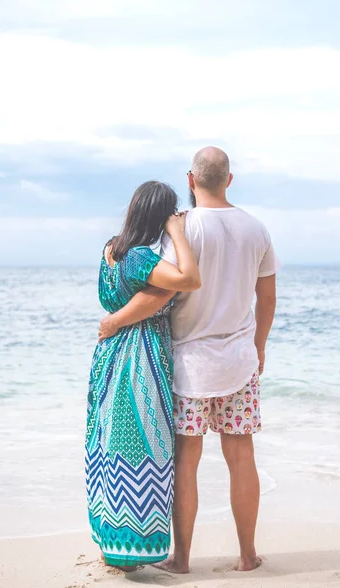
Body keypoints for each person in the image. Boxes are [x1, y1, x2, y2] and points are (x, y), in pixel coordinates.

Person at [98, 147, 280, 573]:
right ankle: (248, 556)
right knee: (241, 458)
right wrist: (260, 346)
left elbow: (159, 291)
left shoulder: (178, 228)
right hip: (238, 360)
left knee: (186, 462)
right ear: (229, 180)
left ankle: (181, 559)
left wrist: (113, 322)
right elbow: (266, 298)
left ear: (191, 180)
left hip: (188, 364)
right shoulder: (257, 228)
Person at [86, 181, 201, 571]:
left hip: (109, 356)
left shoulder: (111, 248)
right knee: (143, 446)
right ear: (160, 216)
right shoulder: (139, 257)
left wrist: (116, 319)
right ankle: (133, 551)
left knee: (108, 445)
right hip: (140, 356)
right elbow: (189, 279)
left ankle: (110, 543)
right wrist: (178, 233)